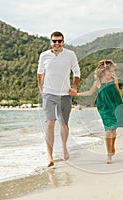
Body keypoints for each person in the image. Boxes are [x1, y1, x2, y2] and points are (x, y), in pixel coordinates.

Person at [37, 31, 80, 167]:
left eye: (59, 41)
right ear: (51, 42)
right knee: (50, 123)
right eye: (54, 41)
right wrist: (41, 88)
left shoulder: (70, 55)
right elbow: (40, 73)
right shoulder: (44, 56)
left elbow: (77, 72)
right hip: (49, 93)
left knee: (64, 124)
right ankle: (50, 157)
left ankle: (64, 146)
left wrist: (74, 86)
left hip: (65, 95)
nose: (57, 44)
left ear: (63, 42)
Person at [71, 60, 123, 164]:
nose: (111, 73)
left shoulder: (114, 79)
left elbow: (118, 92)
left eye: (112, 71)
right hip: (104, 107)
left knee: (113, 130)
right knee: (108, 130)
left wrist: (121, 106)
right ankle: (109, 155)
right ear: (104, 71)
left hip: (115, 105)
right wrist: (77, 94)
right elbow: (90, 92)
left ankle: (112, 146)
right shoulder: (98, 82)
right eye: (109, 71)